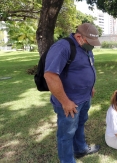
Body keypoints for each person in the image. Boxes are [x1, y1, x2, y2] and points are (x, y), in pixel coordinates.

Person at [44, 23, 100, 162]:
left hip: (85, 97)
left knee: (80, 124)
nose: (92, 45)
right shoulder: (62, 47)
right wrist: (65, 101)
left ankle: (80, 149)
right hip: (69, 101)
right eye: (90, 42)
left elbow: (86, 67)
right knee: (66, 134)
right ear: (79, 36)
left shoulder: (86, 47)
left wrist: (90, 86)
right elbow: (50, 76)